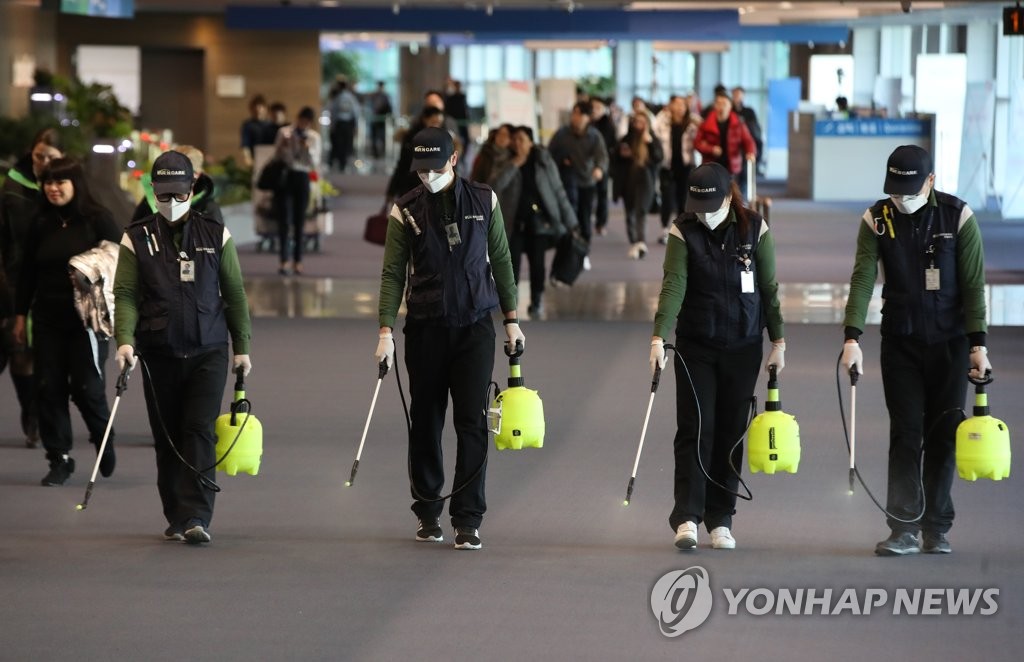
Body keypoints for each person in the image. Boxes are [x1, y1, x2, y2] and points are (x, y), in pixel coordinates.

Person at [375, 127, 522, 551]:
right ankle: (426, 509)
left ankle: (468, 517)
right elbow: (391, 273)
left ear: (454, 160)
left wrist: (511, 320)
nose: (428, 177)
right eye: (421, 171)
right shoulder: (405, 208)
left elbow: (502, 259)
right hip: (425, 327)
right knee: (425, 421)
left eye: (436, 169)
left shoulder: (483, 199)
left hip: (475, 326)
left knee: (472, 422)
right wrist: (386, 329)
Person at [840, 145, 990, 557]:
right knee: (905, 433)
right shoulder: (876, 219)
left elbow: (974, 285)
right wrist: (852, 337)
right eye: (895, 190)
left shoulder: (958, 217)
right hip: (900, 341)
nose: (901, 198)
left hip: (950, 343)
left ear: (930, 182)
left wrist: (978, 345)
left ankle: (936, 527)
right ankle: (903, 527)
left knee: (943, 435)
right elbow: (862, 279)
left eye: (909, 190)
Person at [113, 150, 252, 544]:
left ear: (192, 188)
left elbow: (235, 294)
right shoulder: (135, 237)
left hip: (209, 349)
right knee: (167, 434)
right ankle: (175, 513)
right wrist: (125, 341)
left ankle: (196, 515)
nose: (171, 203)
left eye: (178, 194)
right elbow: (124, 293)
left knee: (198, 429)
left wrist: (241, 347)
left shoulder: (215, 234)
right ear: (153, 191)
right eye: (163, 195)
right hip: (158, 350)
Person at [650, 162, 785, 551]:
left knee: (729, 432)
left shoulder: (755, 228)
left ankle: (721, 518)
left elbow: (769, 287)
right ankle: (687, 517)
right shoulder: (683, 229)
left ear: (729, 196)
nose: (703, 214)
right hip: (696, 345)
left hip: (744, 345)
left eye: (711, 206)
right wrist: (659, 336)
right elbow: (673, 284)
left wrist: (779, 341)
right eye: (697, 206)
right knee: (695, 428)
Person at [13, 157, 122, 486]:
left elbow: (121, 262)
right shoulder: (41, 221)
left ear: (76, 183)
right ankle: (59, 458)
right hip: (46, 318)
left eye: (60, 182)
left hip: (85, 323)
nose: (53, 188)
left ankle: (104, 440)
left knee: (88, 389)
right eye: (48, 182)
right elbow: (27, 273)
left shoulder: (98, 219)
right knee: (49, 388)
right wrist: (20, 315)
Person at [0, 127, 63, 449]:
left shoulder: (66, 187)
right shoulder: (12, 186)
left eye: (50, 157)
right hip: (13, 281)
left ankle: (46, 411)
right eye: (38, 156)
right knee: (20, 350)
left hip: (55, 283)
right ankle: (31, 412)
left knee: (50, 357)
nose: (42, 163)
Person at [491, 125, 578, 318]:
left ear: (531, 142)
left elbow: (558, 191)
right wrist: (514, 164)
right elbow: (494, 186)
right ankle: (510, 302)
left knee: (537, 265)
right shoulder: (505, 160)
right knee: (510, 265)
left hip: (539, 223)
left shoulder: (543, 161)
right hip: (513, 222)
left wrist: (571, 221)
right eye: (515, 139)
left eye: (522, 139)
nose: (517, 143)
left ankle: (537, 299)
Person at [548, 101, 608, 265]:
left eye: (580, 114)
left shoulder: (594, 136)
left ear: (588, 117)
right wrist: (561, 161)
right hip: (567, 182)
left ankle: (583, 251)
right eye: (574, 113)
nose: (576, 117)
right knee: (569, 217)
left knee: (585, 217)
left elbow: (602, 157)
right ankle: (568, 253)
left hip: (587, 182)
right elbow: (549, 155)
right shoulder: (562, 134)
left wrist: (599, 169)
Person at [273, 106, 321, 276]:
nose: (303, 124)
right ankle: (283, 260)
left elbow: (314, 163)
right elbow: (276, 156)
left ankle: (298, 261)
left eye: (307, 122)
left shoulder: (314, 137)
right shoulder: (284, 132)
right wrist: (284, 146)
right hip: (286, 176)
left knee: (299, 221)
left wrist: (307, 148)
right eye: (302, 120)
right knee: (284, 220)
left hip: (302, 177)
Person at [613, 112, 663, 260]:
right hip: (628, 180)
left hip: (645, 180)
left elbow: (659, 157)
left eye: (642, 122)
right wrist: (622, 155)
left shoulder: (651, 139)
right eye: (636, 122)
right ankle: (633, 240)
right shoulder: (626, 139)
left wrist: (650, 143)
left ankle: (640, 242)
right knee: (629, 212)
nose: (638, 125)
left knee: (641, 211)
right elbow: (615, 158)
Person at [131, 145, 223, 223]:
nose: (176, 179)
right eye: (172, 171)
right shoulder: (152, 197)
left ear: (197, 174)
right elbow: (134, 233)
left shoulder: (208, 208)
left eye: (184, 173)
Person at [653, 95, 700, 245]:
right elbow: (654, 130)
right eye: (677, 104)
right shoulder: (663, 121)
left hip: (686, 166)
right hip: (667, 166)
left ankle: (681, 231)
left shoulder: (692, 122)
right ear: (670, 106)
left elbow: (702, 133)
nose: (680, 108)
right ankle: (665, 229)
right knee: (667, 198)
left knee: (683, 200)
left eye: (683, 105)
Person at [695, 91, 757, 198]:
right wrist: (711, 149)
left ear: (730, 106)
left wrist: (750, 152)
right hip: (711, 167)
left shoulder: (738, 123)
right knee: (712, 198)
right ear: (714, 105)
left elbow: (748, 140)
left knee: (731, 197)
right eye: (718, 103)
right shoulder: (706, 124)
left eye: (724, 104)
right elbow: (697, 143)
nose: (721, 107)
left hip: (731, 166)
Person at [386, 105, 447, 202]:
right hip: (411, 189)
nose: (436, 126)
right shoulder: (411, 139)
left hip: (436, 192)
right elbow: (402, 165)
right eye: (433, 122)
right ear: (425, 120)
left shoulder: (444, 140)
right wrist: (391, 191)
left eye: (439, 123)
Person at [589, 97, 618, 237]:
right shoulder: (587, 122)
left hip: (602, 164)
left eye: (598, 107)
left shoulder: (608, 124)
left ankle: (601, 223)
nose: (595, 110)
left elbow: (609, 146)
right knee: (588, 192)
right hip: (586, 164)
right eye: (593, 107)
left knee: (602, 194)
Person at [328, 78, 360, 172]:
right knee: (347, 143)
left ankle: (340, 162)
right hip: (349, 123)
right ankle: (344, 162)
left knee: (339, 143)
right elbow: (356, 111)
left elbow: (333, 112)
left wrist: (332, 125)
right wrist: (356, 125)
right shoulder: (351, 97)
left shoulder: (337, 97)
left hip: (339, 123)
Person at [731, 86, 763, 181]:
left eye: (739, 95)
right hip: (733, 146)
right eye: (735, 94)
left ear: (743, 96)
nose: (737, 97)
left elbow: (754, 130)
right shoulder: (729, 111)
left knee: (744, 177)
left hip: (745, 147)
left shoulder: (749, 112)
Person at [240, 94, 271, 168]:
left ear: (265, 108)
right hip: (255, 158)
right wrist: (248, 160)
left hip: (270, 159)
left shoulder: (271, 124)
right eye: (255, 108)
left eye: (260, 107)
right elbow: (245, 145)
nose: (258, 110)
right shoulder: (248, 125)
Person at [368, 81, 393, 159]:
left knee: (382, 137)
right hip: (375, 119)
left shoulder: (385, 96)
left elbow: (389, 108)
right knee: (374, 137)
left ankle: (382, 152)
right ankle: (375, 153)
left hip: (382, 120)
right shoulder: (374, 96)